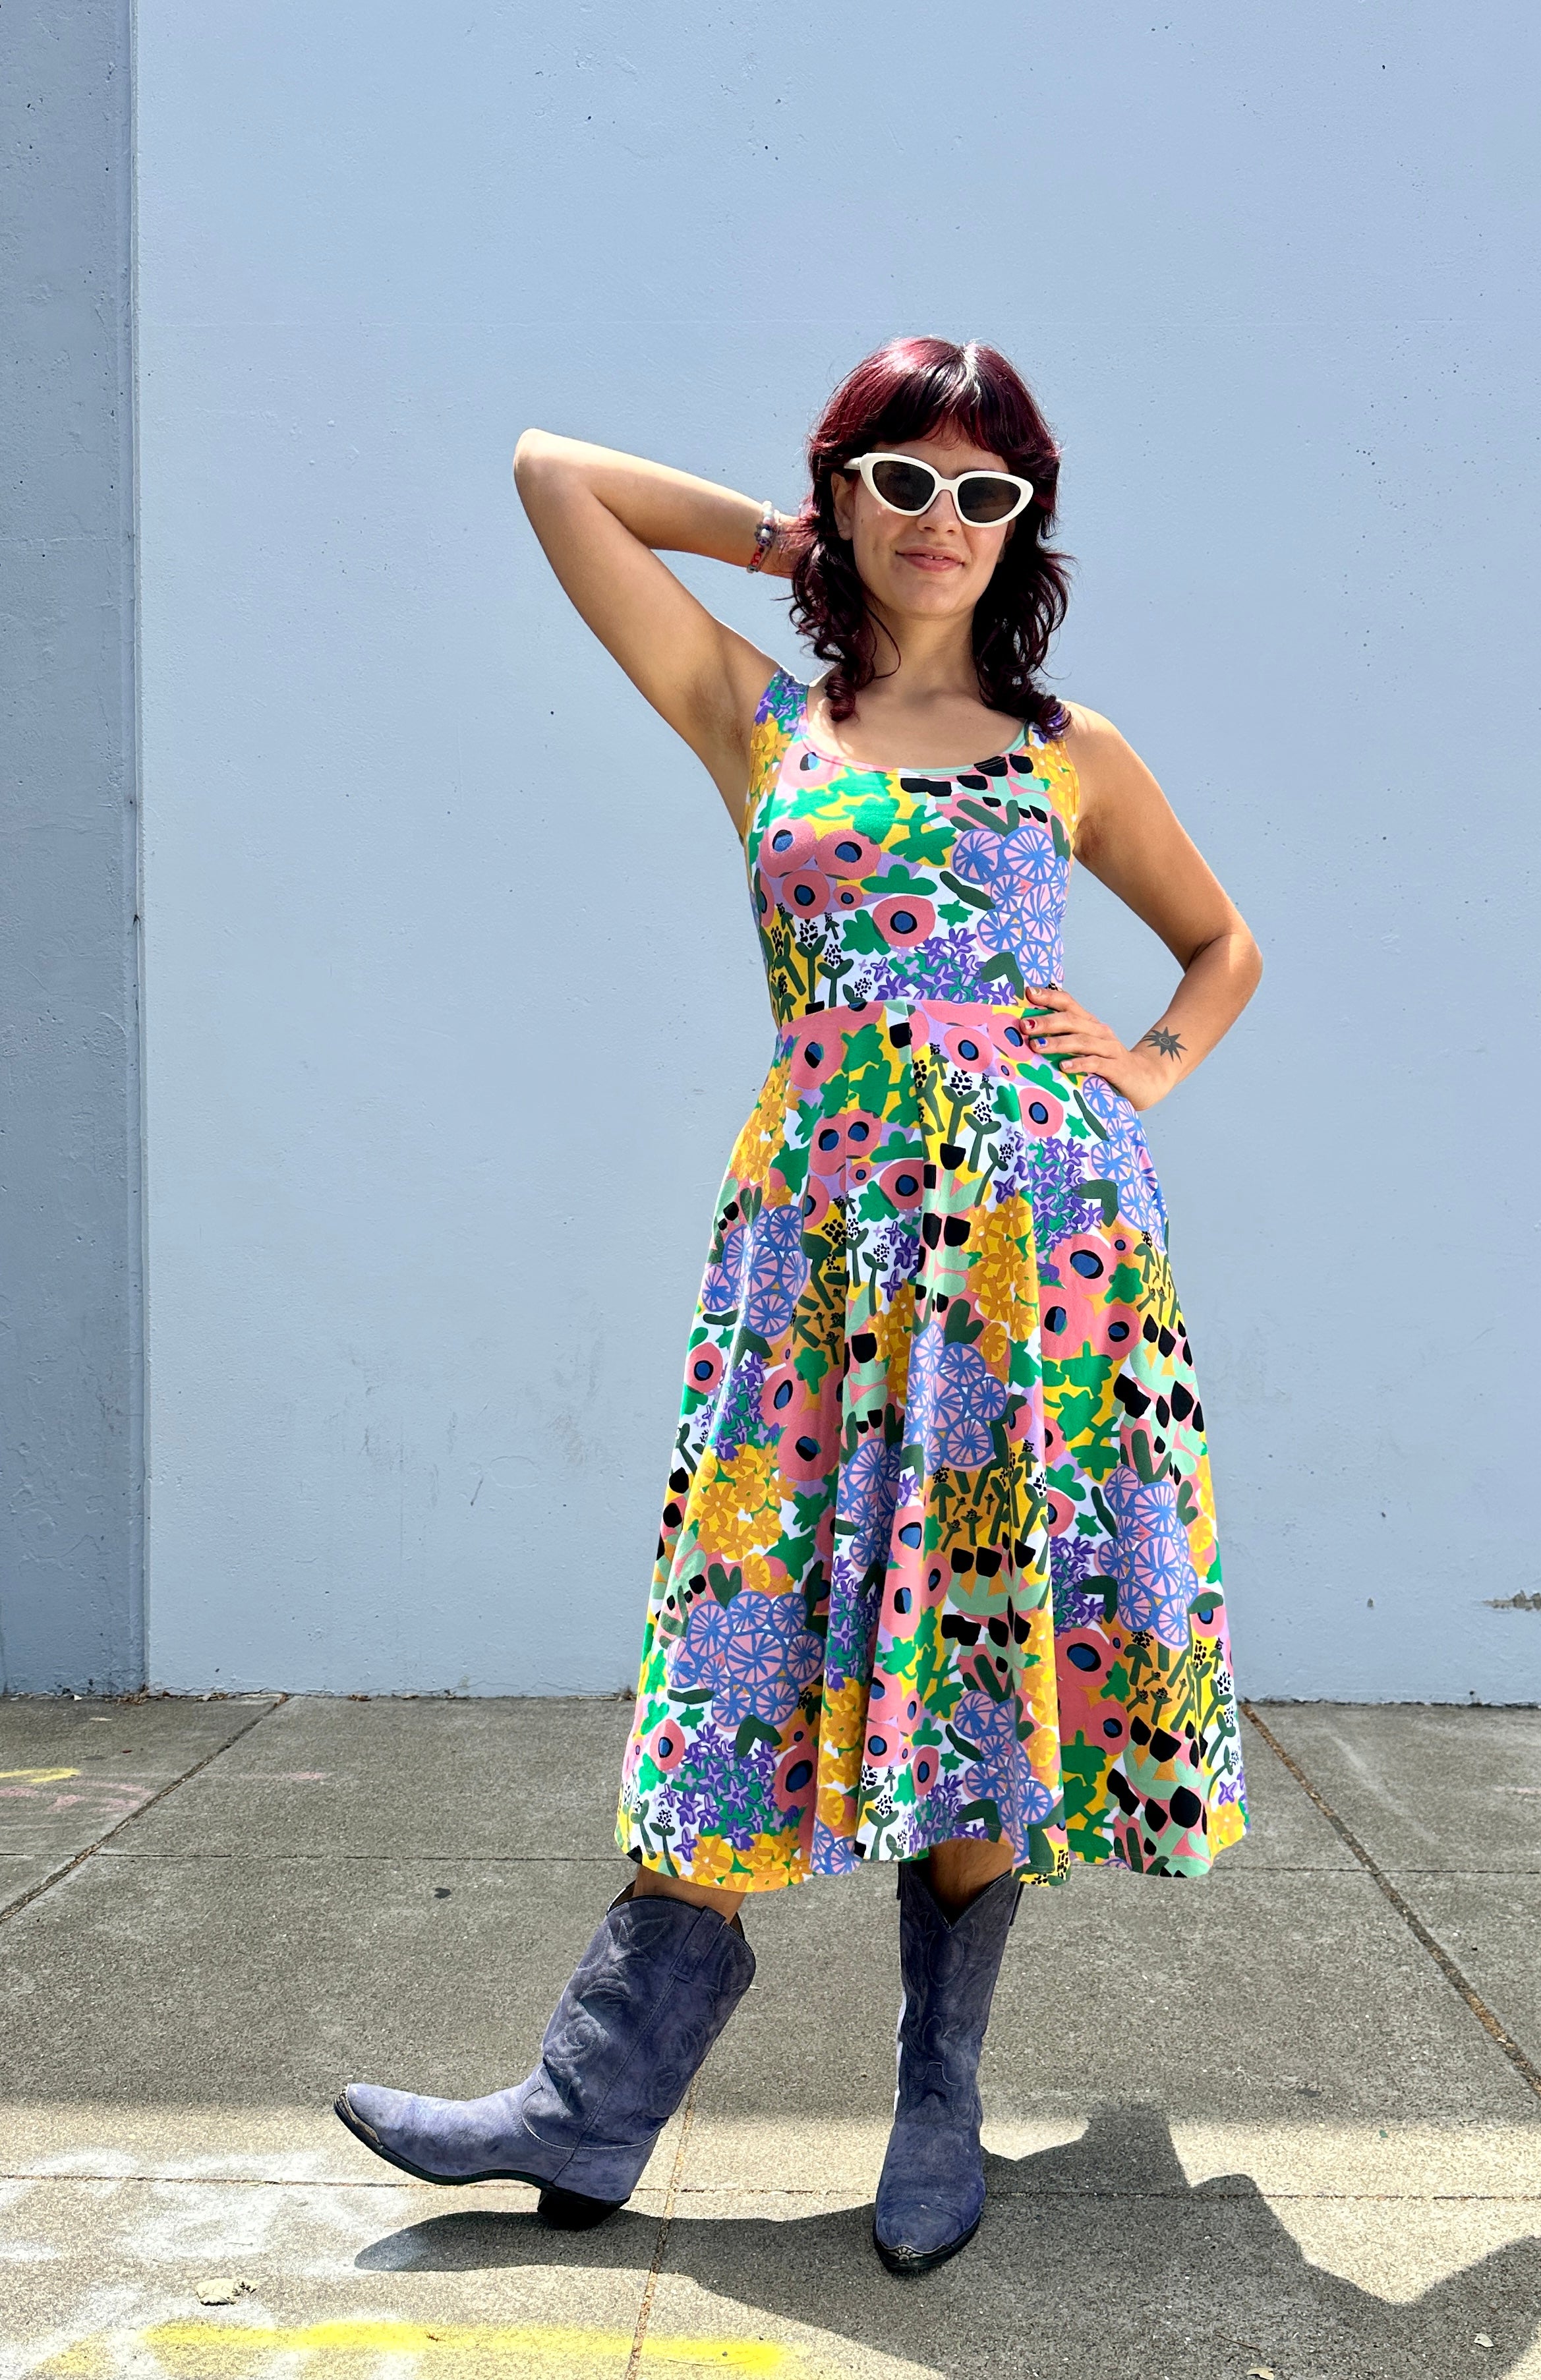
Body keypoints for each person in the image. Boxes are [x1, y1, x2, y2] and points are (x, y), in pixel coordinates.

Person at [336, 336, 1262, 2274]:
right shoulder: (764, 718)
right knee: (737, 1623)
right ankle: (588, 2104)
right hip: (813, 1241)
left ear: (1027, 527)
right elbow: (554, 473)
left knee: (980, 1637)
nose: (946, 519)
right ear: (843, 487)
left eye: (987, 492)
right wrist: (798, 548)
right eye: (903, 478)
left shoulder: (1068, 749)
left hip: (1028, 1257)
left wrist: (1143, 1070)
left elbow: (1218, 943)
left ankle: (937, 2102)